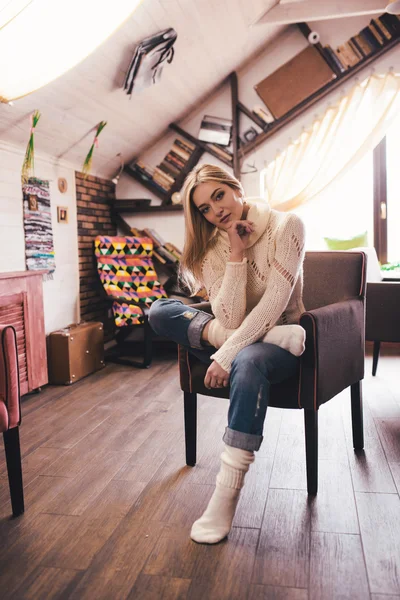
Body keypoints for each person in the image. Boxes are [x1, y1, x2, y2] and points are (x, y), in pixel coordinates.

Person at [149, 163, 306, 545]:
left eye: (218, 195)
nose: (216, 210)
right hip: (261, 337)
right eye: (205, 208)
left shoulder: (287, 226)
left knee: (249, 360)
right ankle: (254, 343)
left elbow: (273, 304)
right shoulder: (212, 247)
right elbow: (230, 315)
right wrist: (235, 251)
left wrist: (226, 354)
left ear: (236, 188)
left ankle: (225, 495)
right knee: (159, 311)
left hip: (279, 349)